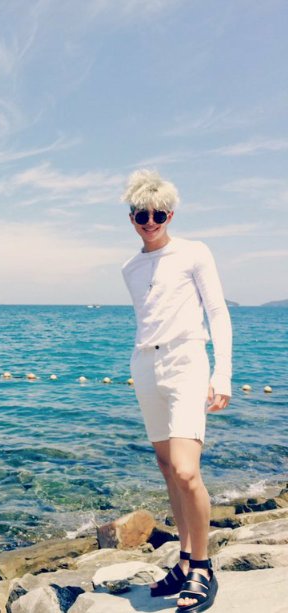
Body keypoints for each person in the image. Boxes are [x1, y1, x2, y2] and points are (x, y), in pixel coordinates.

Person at [121, 169, 232, 613]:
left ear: (170, 215)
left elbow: (217, 311)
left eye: (159, 214)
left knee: (187, 471)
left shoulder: (194, 252)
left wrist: (222, 373)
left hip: (187, 362)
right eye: (141, 215)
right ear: (131, 217)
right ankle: (185, 560)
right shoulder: (129, 268)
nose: (150, 222)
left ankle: (203, 568)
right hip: (145, 365)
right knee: (168, 468)